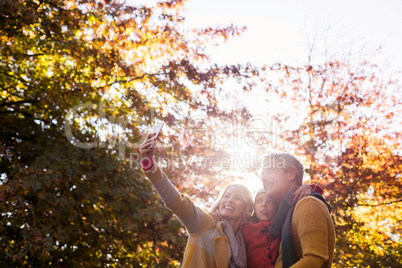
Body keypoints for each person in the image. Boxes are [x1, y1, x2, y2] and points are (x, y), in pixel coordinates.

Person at [139, 132, 252, 268]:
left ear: (246, 210)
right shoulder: (205, 222)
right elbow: (176, 201)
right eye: (226, 196)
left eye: (237, 198)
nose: (229, 200)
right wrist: (150, 166)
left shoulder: (242, 246)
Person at [261, 152, 335, 268]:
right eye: (263, 174)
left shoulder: (308, 204)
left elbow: (315, 259)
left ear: (291, 174)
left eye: (270, 170)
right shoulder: (282, 216)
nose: (263, 178)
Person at [240, 184, 324, 268]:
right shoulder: (246, 227)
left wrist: (308, 187)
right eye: (259, 201)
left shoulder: (283, 223)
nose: (263, 205)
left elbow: (299, 197)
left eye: (270, 202)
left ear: (278, 207)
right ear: (254, 206)